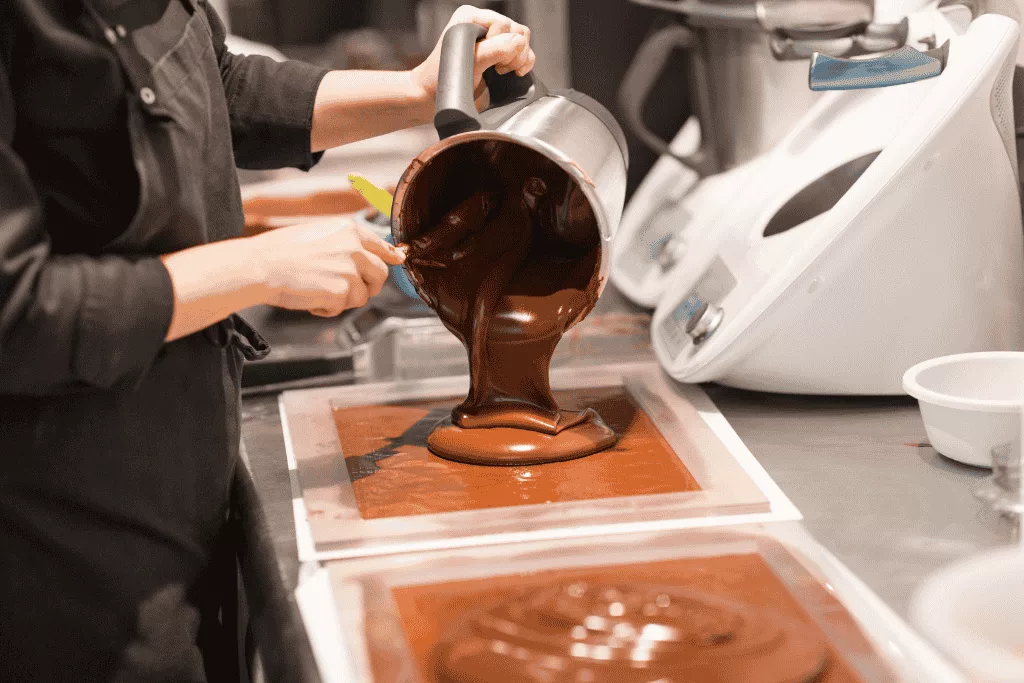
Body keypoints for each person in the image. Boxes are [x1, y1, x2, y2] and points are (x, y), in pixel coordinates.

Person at [0, 2, 535, 681]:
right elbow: (16, 311)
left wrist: (416, 89)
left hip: (183, 486)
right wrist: (260, 268)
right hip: (62, 548)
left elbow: (219, 86)